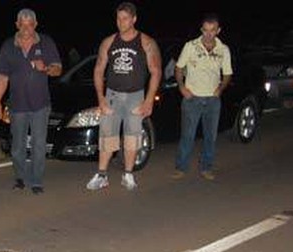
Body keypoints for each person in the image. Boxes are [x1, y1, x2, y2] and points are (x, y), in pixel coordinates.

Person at [86, 1, 162, 191]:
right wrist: (101, 98)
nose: (121, 22)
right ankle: (102, 175)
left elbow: (156, 71)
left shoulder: (146, 42)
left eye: (125, 19)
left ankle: (128, 174)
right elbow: (98, 70)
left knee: (132, 137)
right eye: (118, 18)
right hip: (112, 95)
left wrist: (149, 100)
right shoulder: (109, 42)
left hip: (136, 96)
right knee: (107, 136)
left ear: (134, 19)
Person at [0, 8, 62, 195]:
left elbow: (58, 69)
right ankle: (20, 178)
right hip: (17, 105)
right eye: (22, 25)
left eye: (29, 24)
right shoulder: (8, 46)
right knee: (17, 146)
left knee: (39, 144)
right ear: (17, 25)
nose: (26, 29)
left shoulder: (46, 43)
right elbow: (2, 77)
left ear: (35, 25)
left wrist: (46, 68)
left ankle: (37, 181)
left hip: (41, 104)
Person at [172, 13, 232, 181]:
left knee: (210, 136)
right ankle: (181, 167)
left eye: (212, 30)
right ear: (201, 30)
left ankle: (207, 167)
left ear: (218, 31)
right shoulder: (190, 46)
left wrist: (220, 88)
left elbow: (227, 74)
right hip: (193, 99)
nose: (208, 34)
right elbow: (178, 68)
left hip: (213, 100)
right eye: (205, 30)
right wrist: (182, 87)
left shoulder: (223, 49)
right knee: (187, 135)